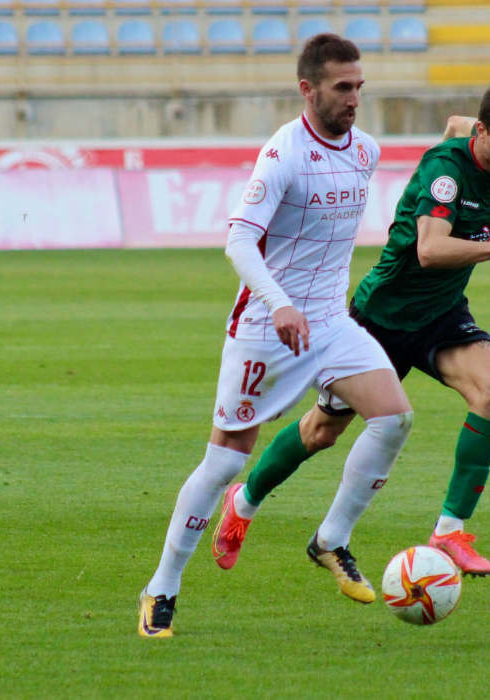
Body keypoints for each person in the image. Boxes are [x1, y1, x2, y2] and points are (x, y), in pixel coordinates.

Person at [209, 82, 490, 579]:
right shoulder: (446, 175)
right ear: (484, 131)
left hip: (441, 314)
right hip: (381, 318)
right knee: (322, 431)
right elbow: (429, 251)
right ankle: (244, 499)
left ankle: (449, 531)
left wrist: (465, 129)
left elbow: (457, 125)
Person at [138, 34, 414, 638]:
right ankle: (162, 587)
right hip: (268, 327)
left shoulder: (364, 150)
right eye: (343, 88)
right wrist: (282, 303)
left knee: (393, 417)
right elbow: (238, 238)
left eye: (360, 86)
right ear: (308, 90)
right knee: (221, 463)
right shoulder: (283, 153)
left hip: (332, 323)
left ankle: (330, 539)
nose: (354, 99)